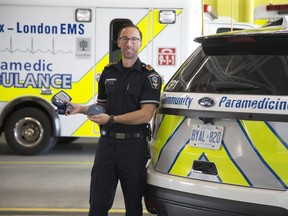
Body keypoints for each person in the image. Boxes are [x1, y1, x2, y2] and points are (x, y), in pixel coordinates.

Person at [66, 23, 161, 216]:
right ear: (118, 43)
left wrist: (111, 119)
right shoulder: (108, 73)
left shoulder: (149, 76)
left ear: (140, 43)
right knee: (97, 205)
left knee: (133, 207)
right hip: (107, 146)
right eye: (125, 38)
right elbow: (102, 107)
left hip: (134, 148)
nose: (129, 43)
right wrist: (81, 109)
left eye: (134, 39)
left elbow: (145, 114)